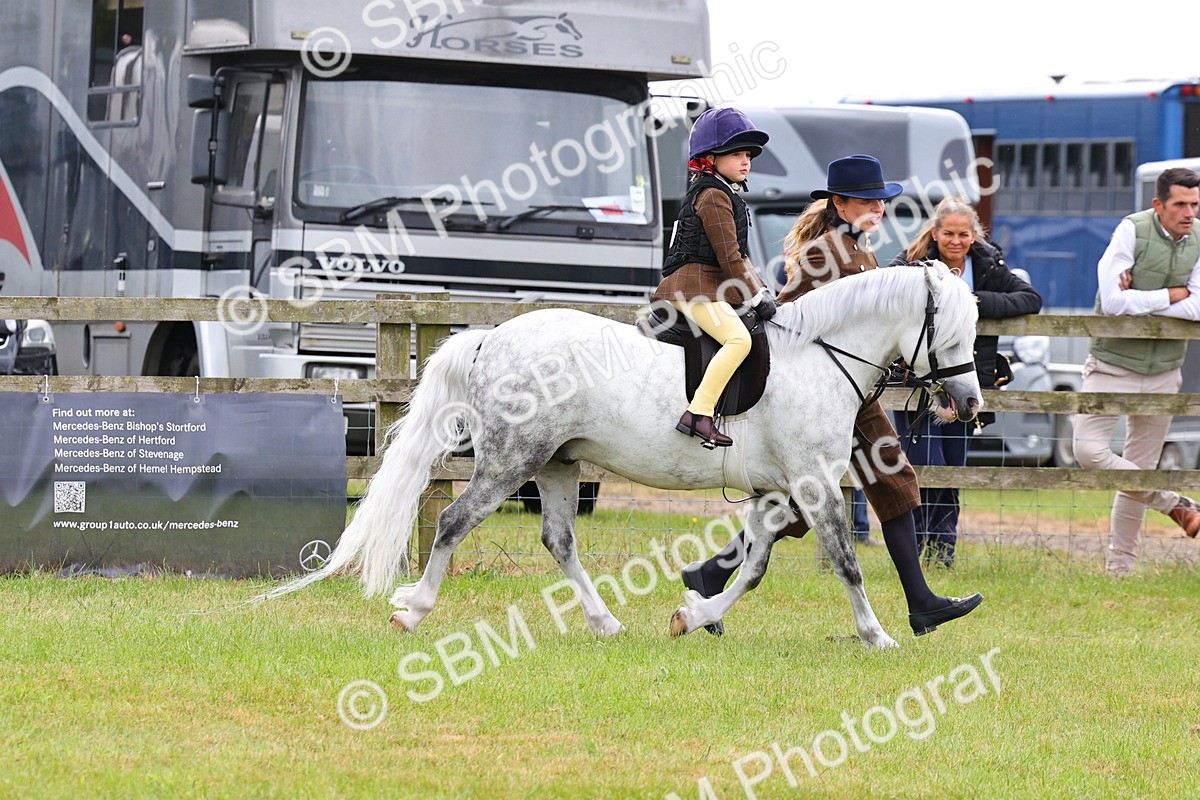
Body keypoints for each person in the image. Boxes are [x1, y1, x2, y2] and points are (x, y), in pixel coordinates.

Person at [682, 154, 983, 636]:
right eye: (868, 200)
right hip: (822, 399)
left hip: (853, 395)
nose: (878, 209)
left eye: (881, 202)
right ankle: (713, 572)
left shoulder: (860, 250)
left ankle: (714, 572)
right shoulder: (824, 253)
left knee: (888, 484)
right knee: (820, 496)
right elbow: (789, 316)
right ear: (839, 203)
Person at [890, 196, 1043, 567]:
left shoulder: (988, 265)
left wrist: (972, 300)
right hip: (918, 383)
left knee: (953, 468)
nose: (955, 241)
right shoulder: (910, 264)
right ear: (935, 232)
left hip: (964, 382)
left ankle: (943, 553)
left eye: (963, 234)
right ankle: (915, 551)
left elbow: (1029, 299)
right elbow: (889, 298)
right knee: (924, 468)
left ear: (974, 235)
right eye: (948, 234)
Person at [1072, 166, 1200, 576]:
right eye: (1180, 204)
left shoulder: (1199, 238)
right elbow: (1111, 302)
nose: (1188, 213)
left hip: (1165, 369)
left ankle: (1119, 571)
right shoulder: (1131, 230)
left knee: (1136, 473)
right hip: (1111, 364)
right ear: (1158, 204)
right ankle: (1177, 505)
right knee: (1088, 451)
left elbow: (1198, 308)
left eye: (1195, 204)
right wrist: (1173, 294)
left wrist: (1144, 298)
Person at [652, 107, 777, 448]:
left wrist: (764, 291)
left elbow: (742, 258)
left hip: (707, 286)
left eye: (748, 154)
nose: (746, 161)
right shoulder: (712, 196)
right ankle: (699, 414)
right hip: (692, 288)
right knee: (739, 340)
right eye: (736, 154)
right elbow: (730, 258)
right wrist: (753, 297)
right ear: (711, 157)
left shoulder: (724, 193)